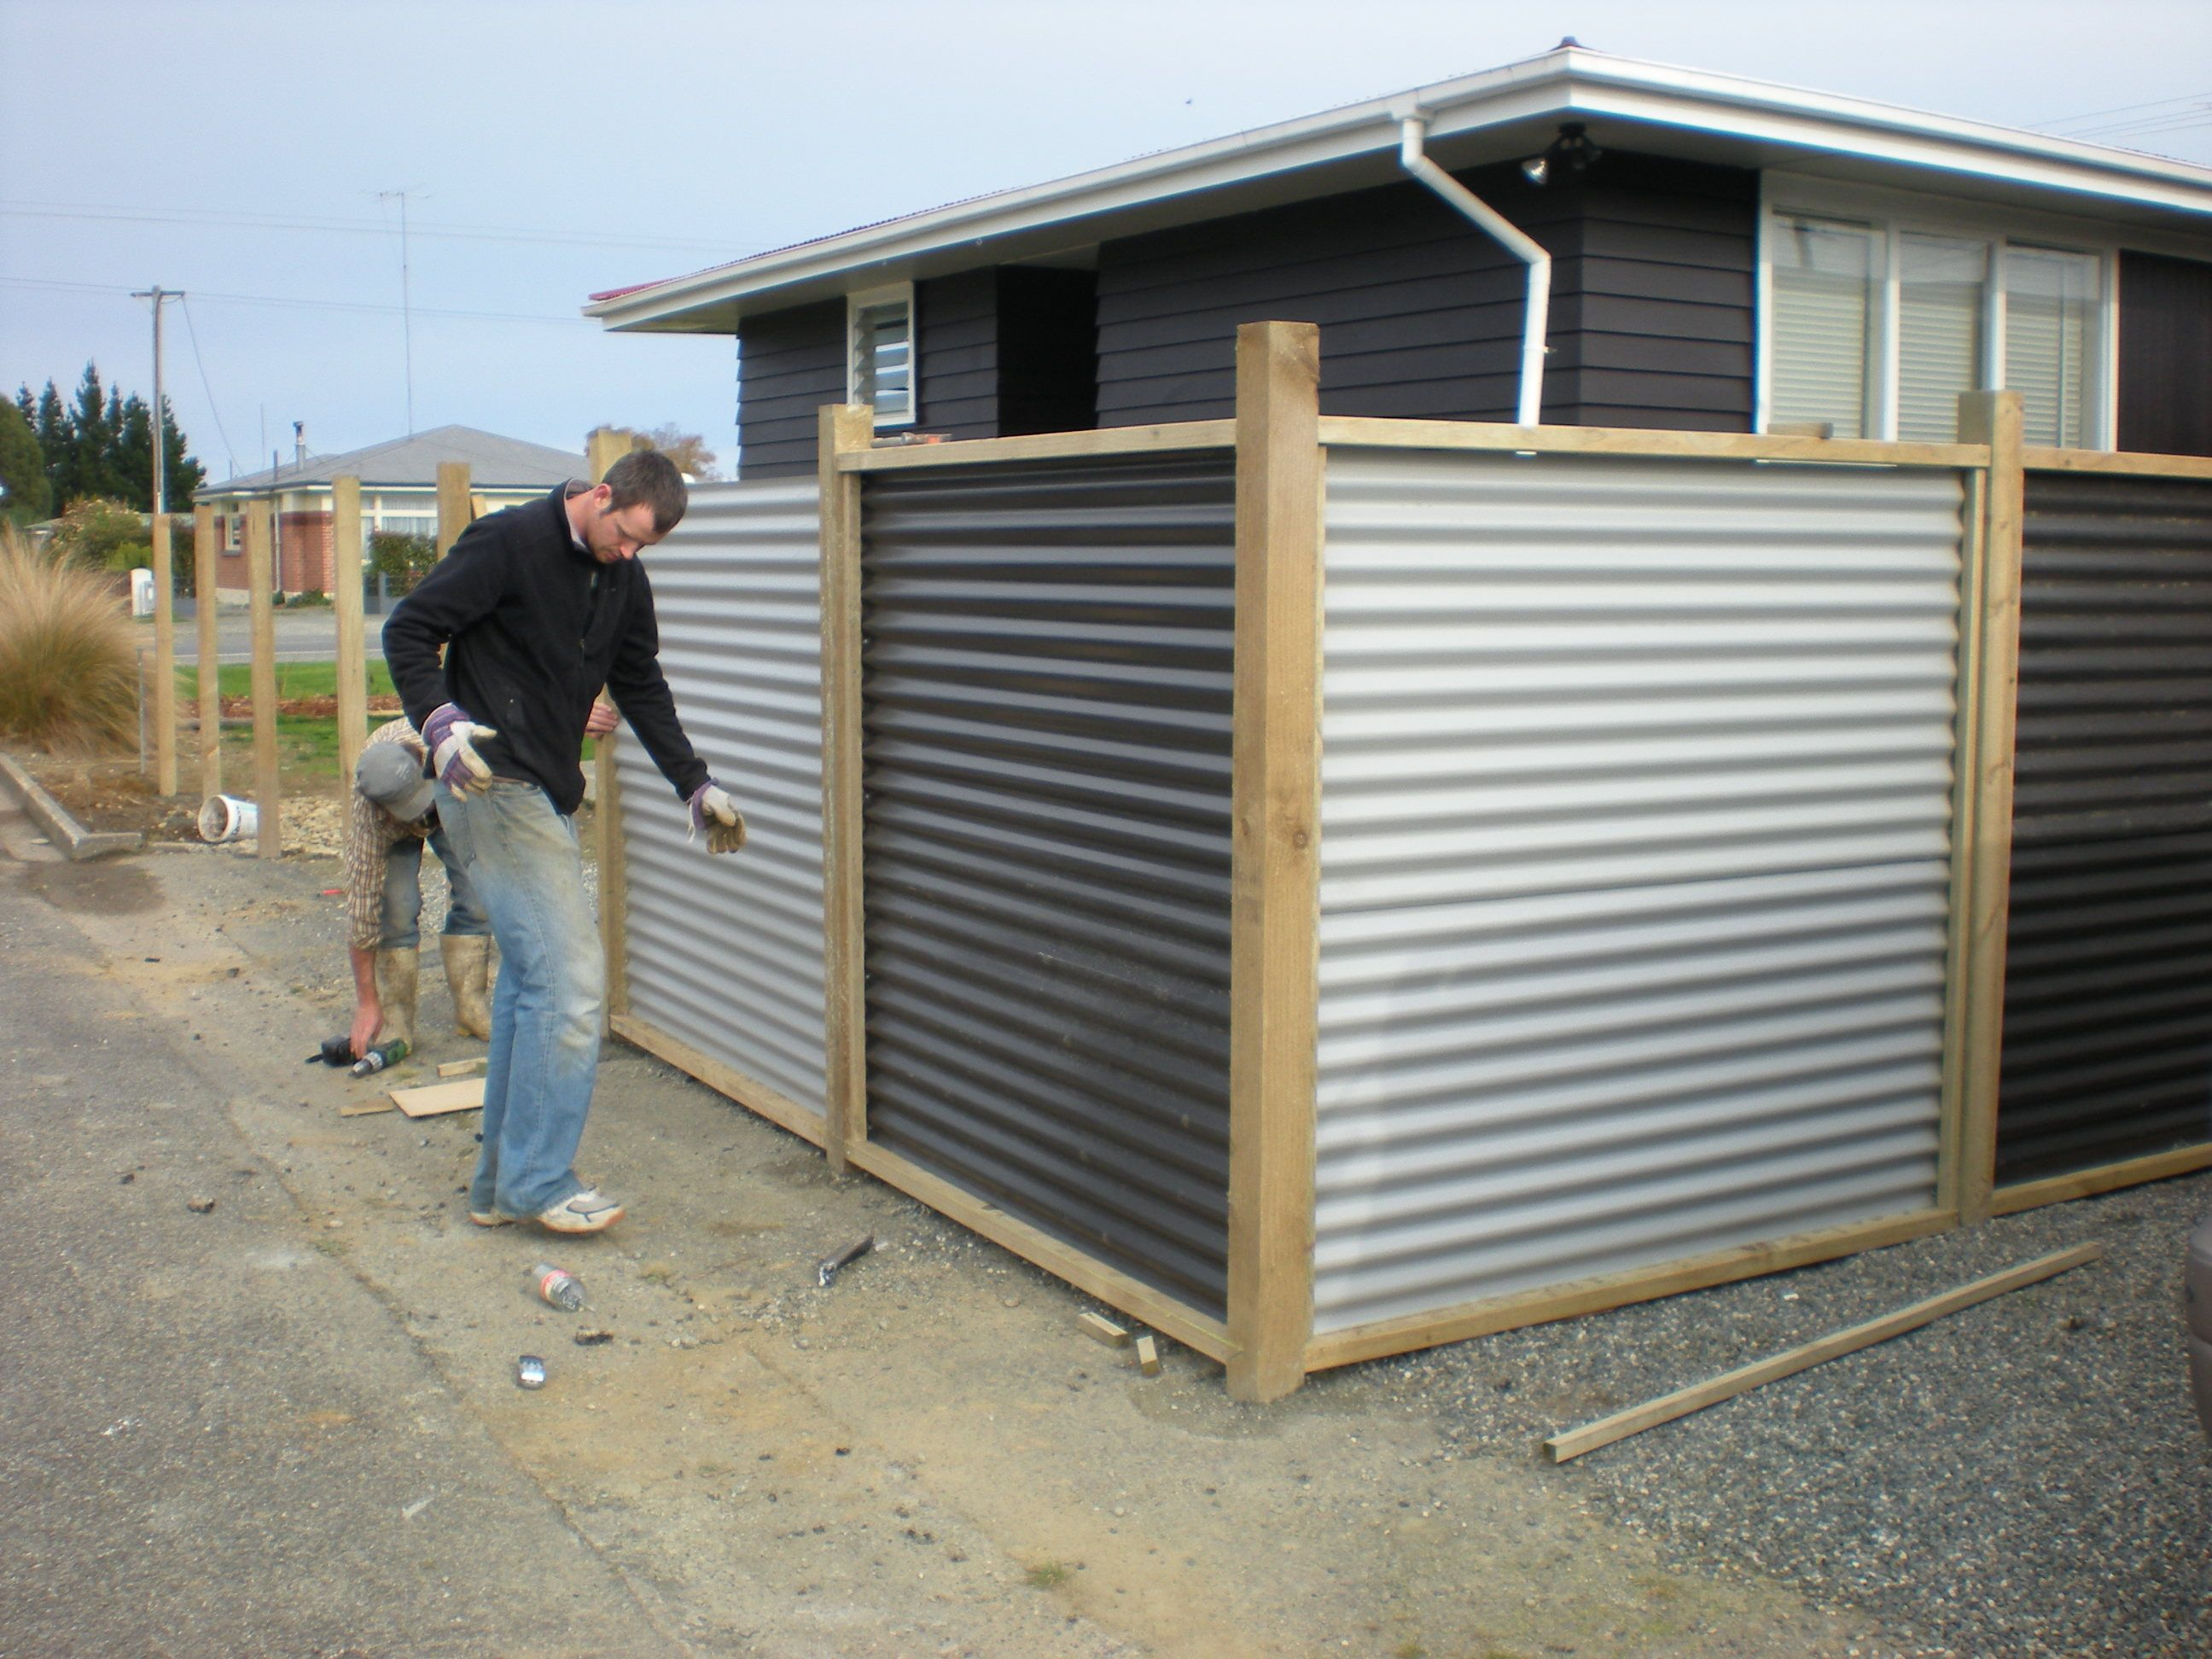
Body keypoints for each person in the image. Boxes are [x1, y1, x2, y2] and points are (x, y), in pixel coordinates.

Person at [383, 449, 744, 1236]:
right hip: (491, 783)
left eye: (645, 548)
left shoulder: (620, 577)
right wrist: (438, 720)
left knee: (529, 989)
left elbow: (639, 680)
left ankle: (498, 1185)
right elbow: (410, 630)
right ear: (602, 495)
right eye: (627, 537)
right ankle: (540, 1182)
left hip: (545, 791)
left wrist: (695, 783)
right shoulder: (507, 543)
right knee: (575, 987)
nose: (630, 555)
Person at [343, 717, 495, 1057]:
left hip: (450, 788)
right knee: (395, 909)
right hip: (391, 828)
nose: (418, 818)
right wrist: (366, 1002)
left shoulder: (450, 742)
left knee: (477, 894)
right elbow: (361, 909)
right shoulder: (370, 814)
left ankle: (471, 1009)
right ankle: (395, 1022)